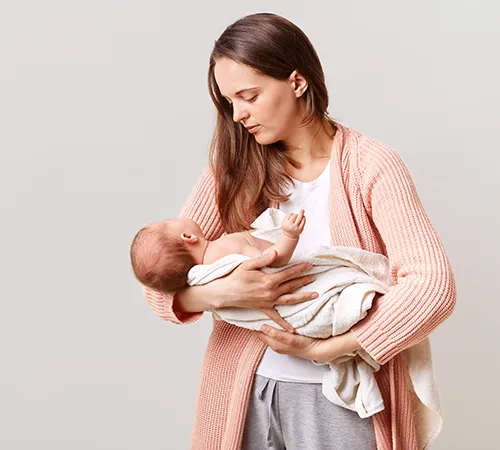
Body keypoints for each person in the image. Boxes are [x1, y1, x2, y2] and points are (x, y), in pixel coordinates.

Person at [140, 12, 457, 450]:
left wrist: (332, 348)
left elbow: (433, 286)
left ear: (297, 81)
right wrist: (225, 293)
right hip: (245, 389)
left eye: (249, 96)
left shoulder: (371, 166)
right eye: (229, 101)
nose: (238, 115)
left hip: (340, 400)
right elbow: (158, 282)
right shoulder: (233, 168)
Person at [131, 210, 310, 333]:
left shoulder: (199, 278)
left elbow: (159, 280)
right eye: (167, 222)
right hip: (302, 291)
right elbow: (272, 262)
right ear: (188, 237)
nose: (173, 217)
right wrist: (289, 236)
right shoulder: (229, 245)